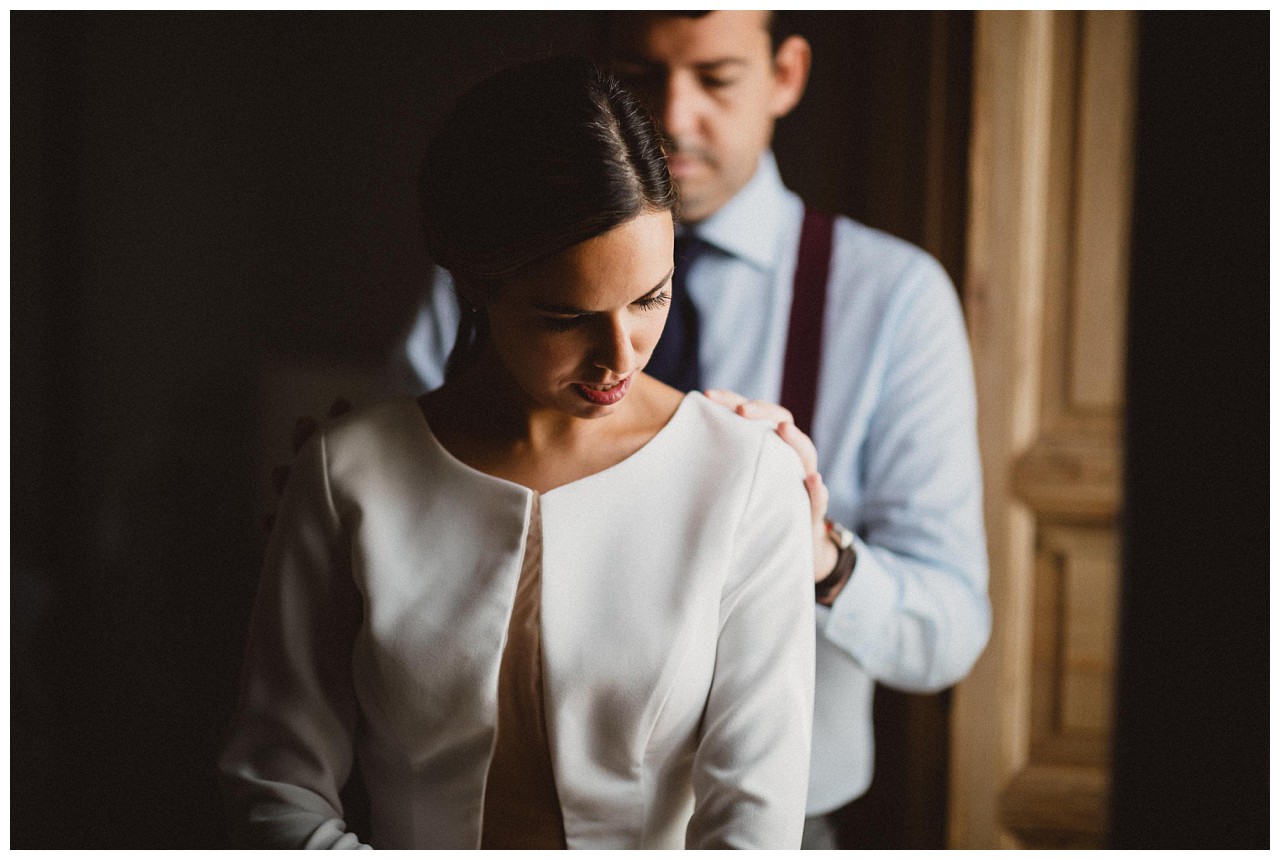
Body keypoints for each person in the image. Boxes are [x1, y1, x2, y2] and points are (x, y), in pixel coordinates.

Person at [399, 11, 991, 849]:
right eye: (642, 77)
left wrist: (814, 552)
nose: (675, 118)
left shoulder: (892, 299)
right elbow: (409, 506)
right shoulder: (501, 278)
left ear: (785, 75)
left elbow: (948, 632)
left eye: (716, 78)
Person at [221, 56, 815, 849]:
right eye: (565, 317)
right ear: (476, 287)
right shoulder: (347, 475)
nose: (621, 356)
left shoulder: (744, 482)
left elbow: (754, 825)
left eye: (650, 298)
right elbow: (275, 785)